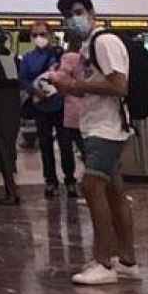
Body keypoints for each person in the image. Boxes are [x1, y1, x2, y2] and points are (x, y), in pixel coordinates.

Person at [51, 0, 140, 286]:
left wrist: (75, 83)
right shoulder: (88, 47)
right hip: (95, 125)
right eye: (67, 15)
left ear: (90, 12)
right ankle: (126, 260)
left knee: (91, 186)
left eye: (77, 12)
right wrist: (66, 87)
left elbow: (118, 85)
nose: (72, 19)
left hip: (108, 128)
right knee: (114, 192)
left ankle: (104, 262)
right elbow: (92, 87)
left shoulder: (104, 42)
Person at [18, 22, 74, 198]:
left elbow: (69, 74)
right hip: (40, 106)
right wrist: (35, 91)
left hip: (61, 104)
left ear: (50, 34)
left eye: (42, 34)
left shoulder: (60, 54)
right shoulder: (28, 58)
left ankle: (70, 180)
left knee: (65, 144)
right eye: (34, 35)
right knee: (45, 145)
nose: (38, 38)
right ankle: (50, 181)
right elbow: (23, 79)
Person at [55, 24, 88, 200]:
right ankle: (92, 182)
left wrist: (53, 77)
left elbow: (60, 80)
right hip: (87, 109)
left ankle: (71, 182)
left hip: (71, 111)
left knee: (67, 149)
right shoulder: (87, 57)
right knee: (86, 150)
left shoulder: (69, 58)